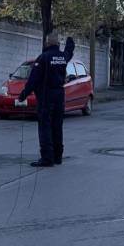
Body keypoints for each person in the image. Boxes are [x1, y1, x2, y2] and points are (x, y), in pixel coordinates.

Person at [18, 32, 75, 167]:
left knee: (45, 127)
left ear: (47, 43)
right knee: (57, 126)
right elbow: (69, 52)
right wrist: (70, 40)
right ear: (58, 44)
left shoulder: (43, 58)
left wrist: (23, 95)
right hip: (59, 95)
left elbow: (33, 79)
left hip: (46, 96)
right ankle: (58, 156)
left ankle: (47, 158)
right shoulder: (62, 57)